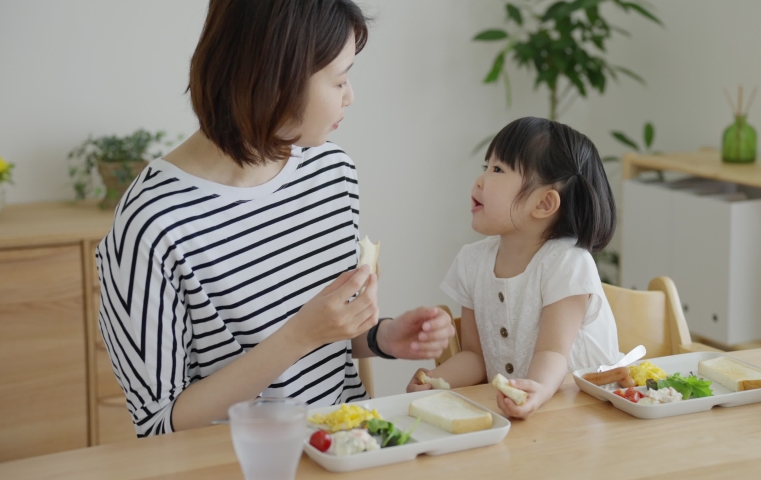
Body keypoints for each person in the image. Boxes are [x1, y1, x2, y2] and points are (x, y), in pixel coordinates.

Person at [95, 0, 454, 437]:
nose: (350, 95)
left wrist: (381, 337)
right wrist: (298, 335)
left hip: (345, 448)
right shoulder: (152, 223)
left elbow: (329, 336)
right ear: (274, 79)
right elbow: (159, 424)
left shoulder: (331, 172)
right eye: (339, 79)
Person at [407, 117, 622, 419]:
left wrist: (535, 389)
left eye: (497, 170)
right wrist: (437, 379)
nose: (479, 180)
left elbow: (553, 353)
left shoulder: (567, 263)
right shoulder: (472, 263)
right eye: (486, 167)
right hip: (525, 414)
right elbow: (475, 356)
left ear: (544, 204)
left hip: (586, 411)